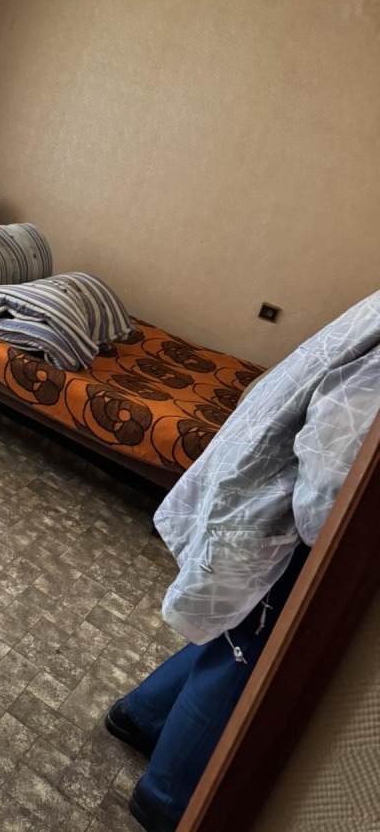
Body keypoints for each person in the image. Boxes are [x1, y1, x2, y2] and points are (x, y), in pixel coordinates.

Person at [105, 291, 380, 832]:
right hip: (291, 516)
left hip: (272, 492)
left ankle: (141, 717)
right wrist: (337, 545)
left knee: (236, 633)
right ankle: (164, 801)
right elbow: (336, 464)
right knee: (245, 654)